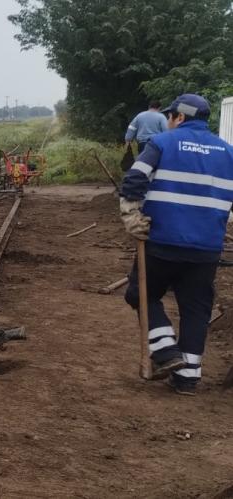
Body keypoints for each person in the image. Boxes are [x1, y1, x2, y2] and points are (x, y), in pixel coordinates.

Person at [120, 93, 233, 396]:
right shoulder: (228, 152)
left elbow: (134, 179)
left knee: (139, 293)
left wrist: (132, 215)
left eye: (171, 117)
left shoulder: (163, 144)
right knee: (196, 309)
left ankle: (167, 351)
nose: (169, 122)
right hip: (207, 248)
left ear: (180, 117)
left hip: (163, 242)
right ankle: (187, 379)